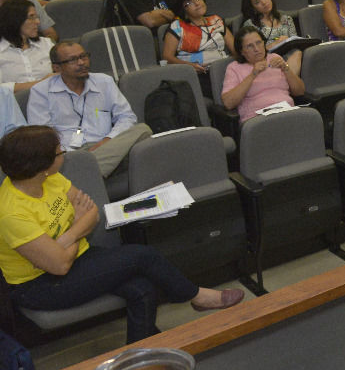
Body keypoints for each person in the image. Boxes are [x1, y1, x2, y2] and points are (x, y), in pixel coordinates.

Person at [0, 125, 244, 344]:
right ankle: (197, 296)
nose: (62, 154)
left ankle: (140, 356)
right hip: (40, 285)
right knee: (143, 256)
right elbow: (60, 265)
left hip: (78, 258)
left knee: (142, 288)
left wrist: (64, 240)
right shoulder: (12, 212)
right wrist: (75, 230)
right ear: (40, 166)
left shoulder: (50, 180)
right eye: (58, 152)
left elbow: (92, 213)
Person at [28, 41, 152, 177]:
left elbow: (126, 117)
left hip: (107, 145)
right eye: (73, 60)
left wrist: (107, 140)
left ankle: (84, 174)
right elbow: (43, 137)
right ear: (57, 67)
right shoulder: (41, 91)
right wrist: (75, 155)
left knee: (142, 130)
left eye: (84, 56)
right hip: (68, 155)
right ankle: (91, 171)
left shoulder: (104, 82)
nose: (81, 62)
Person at [222, 27, 305, 123]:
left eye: (259, 43)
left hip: (287, 112)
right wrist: (253, 74)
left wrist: (286, 68)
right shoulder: (234, 68)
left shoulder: (276, 59)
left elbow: (300, 91)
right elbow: (228, 103)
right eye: (249, 46)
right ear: (242, 51)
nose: (256, 49)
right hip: (257, 120)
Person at [162, 0, 234, 92]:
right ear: (183, 10)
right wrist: (189, 66)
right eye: (189, 2)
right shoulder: (177, 26)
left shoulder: (216, 20)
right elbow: (167, 57)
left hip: (223, 70)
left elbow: (235, 49)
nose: (197, 3)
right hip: (198, 76)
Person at [240, 0, 302, 72]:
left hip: (289, 57)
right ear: (253, 8)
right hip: (266, 60)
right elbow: (251, 52)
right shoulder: (250, 25)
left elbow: (296, 42)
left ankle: (287, 82)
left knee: (297, 52)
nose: (263, 2)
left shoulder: (286, 19)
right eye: (257, 2)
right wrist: (275, 44)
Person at [0, 0, 53, 92]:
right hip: (12, 104)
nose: (37, 22)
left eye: (37, 17)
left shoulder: (46, 44)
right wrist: (41, 83)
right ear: (15, 20)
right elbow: (2, 89)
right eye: (31, 17)